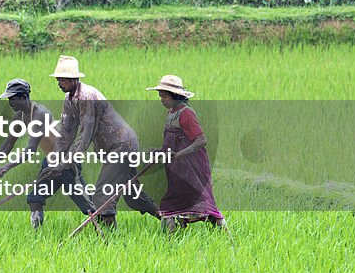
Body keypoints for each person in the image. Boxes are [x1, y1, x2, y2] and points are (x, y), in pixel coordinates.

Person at [49, 55, 161, 228]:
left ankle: (109, 241)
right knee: (133, 196)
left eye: (62, 80)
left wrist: (66, 162)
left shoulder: (88, 96)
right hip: (110, 148)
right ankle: (169, 218)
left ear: (73, 79)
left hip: (121, 145)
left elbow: (86, 133)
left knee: (103, 196)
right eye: (58, 80)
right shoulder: (69, 99)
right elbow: (66, 132)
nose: (59, 84)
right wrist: (55, 160)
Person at [0, 78, 95, 228]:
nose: (10, 103)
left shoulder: (40, 114)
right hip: (50, 161)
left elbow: (30, 149)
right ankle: (37, 235)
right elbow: (8, 144)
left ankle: (106, 227)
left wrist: (7, 166)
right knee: (35, 198)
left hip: (65, 163)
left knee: (86, 204)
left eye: (12, 99)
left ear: (23, 97)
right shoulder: (20, 117)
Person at [146, 75, 226, 234]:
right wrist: (159, 152)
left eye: (165, 96)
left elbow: (201, 140)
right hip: (177, 169)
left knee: (199, 203)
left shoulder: (186, 114)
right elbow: (170, 142)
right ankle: (172, 241)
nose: (161, 99)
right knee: (179, 204)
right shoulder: (170, 113)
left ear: (176, 96)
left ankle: (228, 239)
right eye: (160, 95)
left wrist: (179, 154)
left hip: (192, 167)